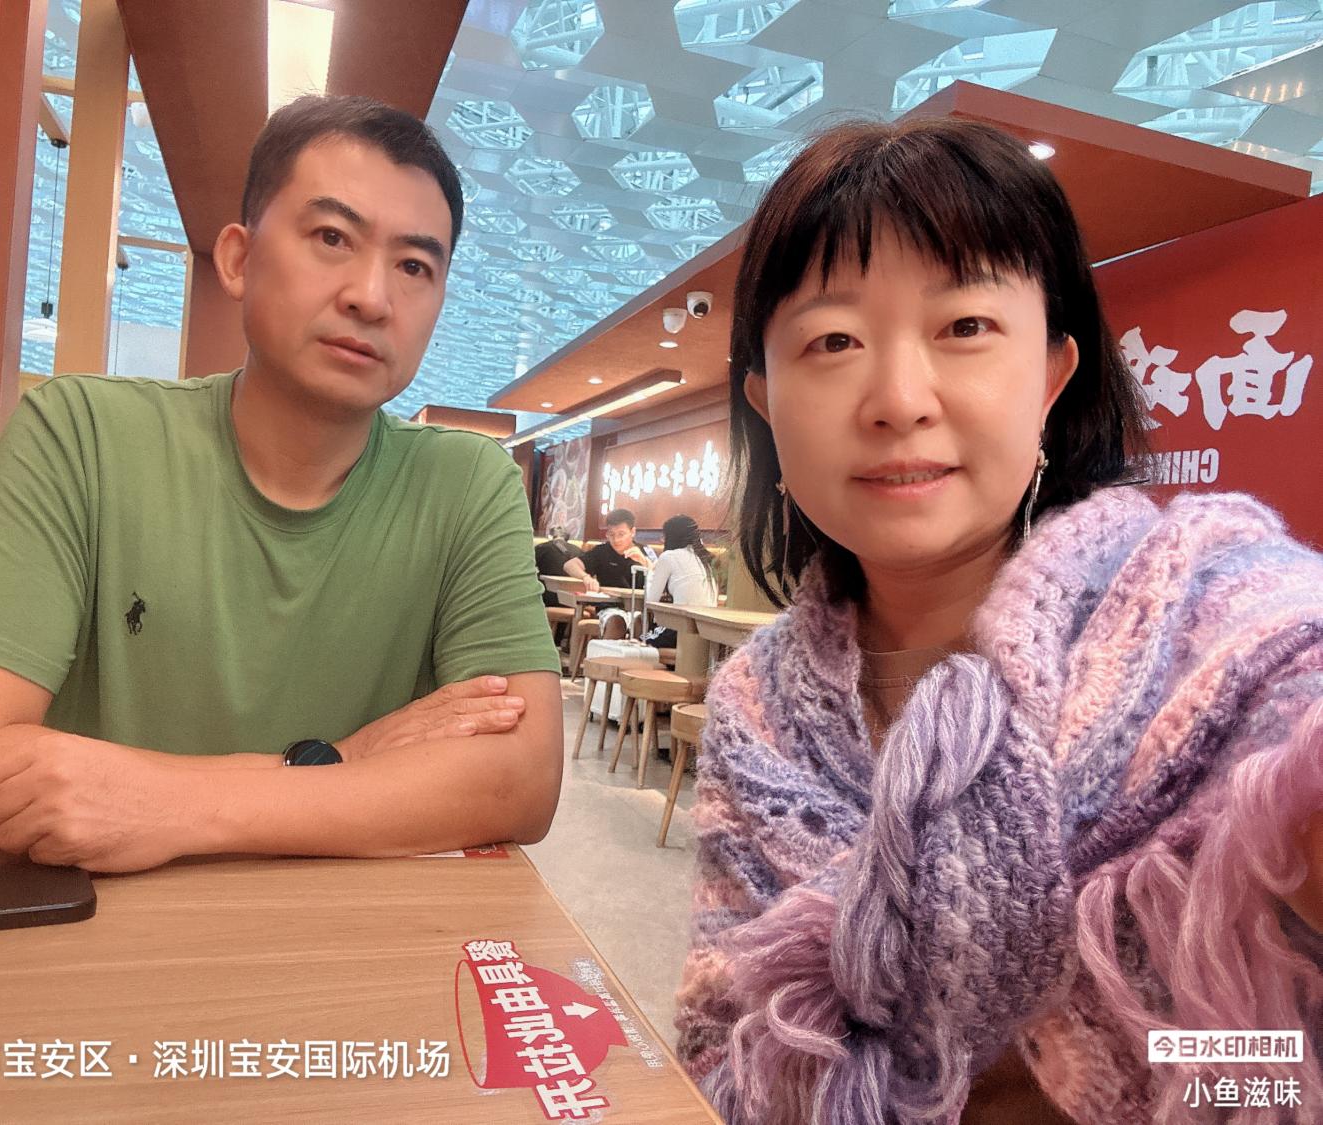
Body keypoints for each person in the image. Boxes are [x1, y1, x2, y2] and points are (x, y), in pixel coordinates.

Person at [673, 117, 1323, 1125]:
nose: (898, 399)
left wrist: (1187, 1065)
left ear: (1053, 375)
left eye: (965, 326)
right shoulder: (756, 706)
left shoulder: (1211, 609)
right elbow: (727, 1050)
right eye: (833, 341)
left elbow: (1283, 1062)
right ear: (767, 401)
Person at [0, 95, 565, 873]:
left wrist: (172, 804)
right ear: (239, 260)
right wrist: (336, 760)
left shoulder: (469, 484)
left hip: (346, 933)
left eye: (414, 266)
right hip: (94, 925)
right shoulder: (82, 437)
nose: (372, 297)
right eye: (332, 237)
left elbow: (520, 781)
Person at [563, 508, 651, 639]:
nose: (616, 540)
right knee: (616, 622)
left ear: (632, 532)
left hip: (639, 608)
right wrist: (586, 577)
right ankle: (604, 652)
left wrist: (645, 563)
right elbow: (570, 565)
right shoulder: (602, 551)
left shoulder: (645, 551)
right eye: (611, 534)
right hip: (610, 607)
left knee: (640, 623)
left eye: (621, 534)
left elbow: (659, 576)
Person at [638, 514, 718, 648]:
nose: (662, 540)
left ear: (671, 536)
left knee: (637, 641)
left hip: (680, 629)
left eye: (664, 536)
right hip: (706, 632)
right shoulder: (704, 559)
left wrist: (650, 569)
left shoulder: (669, 557)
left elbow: (650, 601)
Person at [534, 525, 581, 608]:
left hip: (546, 598)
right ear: (567, 537)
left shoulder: (541, 548)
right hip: (573, 600)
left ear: (550, 536)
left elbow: (529, 568)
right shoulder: (578, 551)